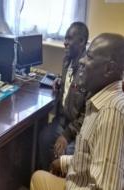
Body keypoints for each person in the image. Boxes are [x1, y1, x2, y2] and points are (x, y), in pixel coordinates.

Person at [31, 33, 124, 190]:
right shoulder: (101, 98)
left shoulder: (111, 112)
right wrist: (63, 162)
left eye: (89, 56)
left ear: (109, 69)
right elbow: (89, 157)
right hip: (78, 176)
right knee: (39, 174)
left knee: (38, 177)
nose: (82, 60)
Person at [38, 22, 89, 170]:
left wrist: (66, 135)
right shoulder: (68, 59)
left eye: (69, 39)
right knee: (44, 137)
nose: (65, 42)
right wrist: (60, 80)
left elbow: (86, 113)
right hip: (62, 119)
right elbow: (70, 82)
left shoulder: (88, 70)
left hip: (77, 128)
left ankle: (60, 180)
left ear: (81, 42)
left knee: (64, 152)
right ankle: (47, 174)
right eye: (65, 38)